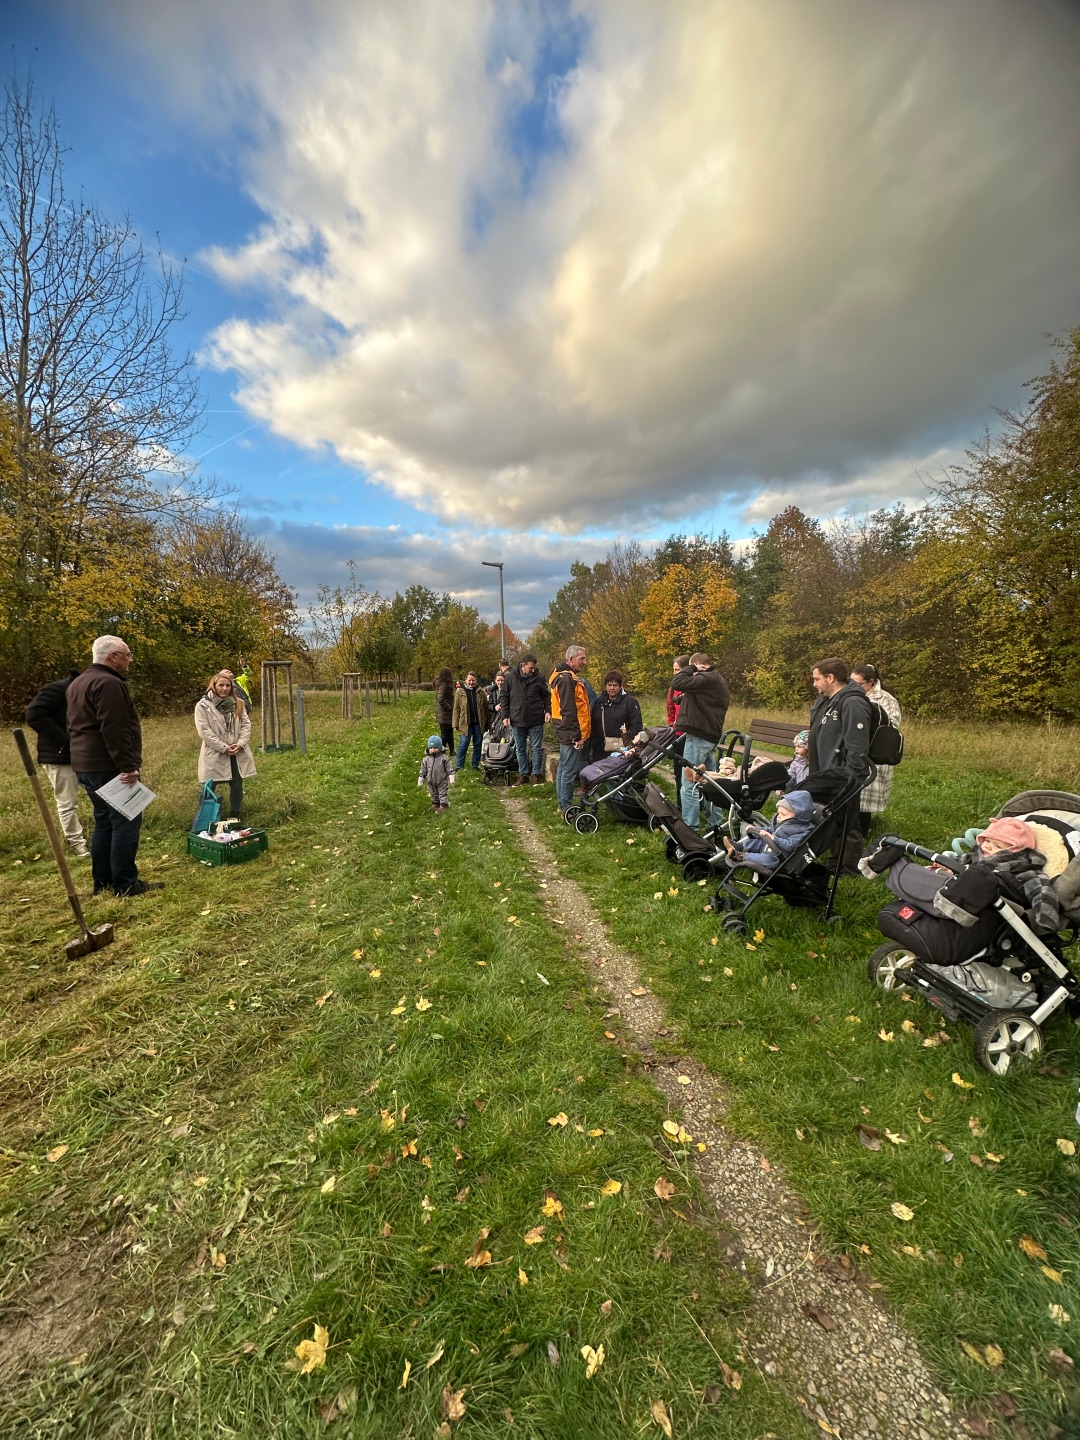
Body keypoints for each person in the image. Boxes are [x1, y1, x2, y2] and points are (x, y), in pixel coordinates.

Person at [66, 635, 159, 898]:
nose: (130, 660)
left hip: (85, 765)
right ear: (113, 657)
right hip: (108, 766)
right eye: (127, 655)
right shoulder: (108, 683)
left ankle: (103, 881)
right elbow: (115, 728)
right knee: (126, 819)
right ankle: (126, 883)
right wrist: (127, 766)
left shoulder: (78, 682)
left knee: (105, 821)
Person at [805, 657, 873, 876]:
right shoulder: (829, 700)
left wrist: (852, 776)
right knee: (833, 816)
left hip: (844, 774)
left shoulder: (852, 702)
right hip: (826, 770)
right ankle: (835, 862)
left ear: (830, 677)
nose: (814, 684)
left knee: (847, 820)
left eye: (817, 679)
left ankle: (847, 868)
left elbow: (857, 744)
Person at [25, 669, 90, 858]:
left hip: (82, 754)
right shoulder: (58, 689)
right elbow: (34, 714)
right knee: (68, 801)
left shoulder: (84, 693)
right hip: (58, 756)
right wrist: (64, 740)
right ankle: (76, 843)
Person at [670, 653, 730, 831]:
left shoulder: (707, 676)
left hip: (699, 737)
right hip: (709, 736)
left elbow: (677, 683)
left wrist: (692, 668)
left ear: (700, 666)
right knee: (711, 782)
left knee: (689, 783)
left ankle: (690, 829)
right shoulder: (715, 680)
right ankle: (715, 825)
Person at [195, 672, 257, 820]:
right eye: (221, 685)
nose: (224, 688)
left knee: (236, 784)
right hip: (215, 752)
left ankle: (235, 816)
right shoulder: (203, 706)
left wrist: (240, 744)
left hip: (236, 752)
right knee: (209, 786)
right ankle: (204, 817)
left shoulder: (239, 703)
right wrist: (223, 747)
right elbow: (204, 730)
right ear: (214, 686)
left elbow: (246, 725)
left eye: (228, 685)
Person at [852, 663, 901, 836]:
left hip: (875, 755)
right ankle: (851, 831)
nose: (854, 687)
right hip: (857, 752)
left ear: (871, 682)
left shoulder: (886, 699)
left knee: (865, 800)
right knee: (854, 795)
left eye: (858, 684)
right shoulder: (852, 697)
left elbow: (892, 727)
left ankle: (862, 834)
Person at [549, 644, 592, 817]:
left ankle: (562, 805)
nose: (585, 662)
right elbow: (568, 709)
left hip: (564, 730)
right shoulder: (567, 679)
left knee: (563, 768)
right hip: (571, 732)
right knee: (568, 770)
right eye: (582, 658)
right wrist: (577, 736)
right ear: (571, 659)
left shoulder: (561, 676)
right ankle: (566, 808)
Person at [726, 790, 816, 870]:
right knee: (757, 842)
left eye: (783, 814)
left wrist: (774, 839)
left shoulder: (802, 830)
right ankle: (739, 847)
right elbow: (770, 829)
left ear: (797, 815)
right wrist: (756, 829)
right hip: (768, 845)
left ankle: (739, 856)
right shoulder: (782, 820)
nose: (779, 816)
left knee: (765, 859)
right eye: (779, 812)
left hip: (778, 856)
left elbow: (790, 846)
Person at [504, 652, 551, 785]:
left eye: (534, 667)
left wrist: (548, 711)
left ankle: (536, 774)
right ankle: (523, 774)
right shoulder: (510, 677)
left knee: (536, 748)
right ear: (523, 666)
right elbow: (504, 697)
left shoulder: (539, 678)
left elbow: (546, 696)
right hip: (517, 718)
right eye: (530, 667)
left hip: (535, 718)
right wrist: (505, 715)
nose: (533, 670)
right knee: (520, 749)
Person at [590, 671, 643, 760]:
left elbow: (636, 725)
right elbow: (593, 723)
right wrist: (594, 742)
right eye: (609, 685)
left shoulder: (630, 702)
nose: (612, 688)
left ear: (620, 686)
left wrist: (632, 745)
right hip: (600, 747)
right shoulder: (600, 701)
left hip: (622, 748)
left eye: (615, 685)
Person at [452, 671, 491, 771]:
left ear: (476, 681)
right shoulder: (460, 692)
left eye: (473, 680)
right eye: (469, 680)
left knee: (478, 743)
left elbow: (485, 708)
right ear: (466, 680)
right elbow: (456, 709)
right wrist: (455, 723)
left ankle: (475, 765)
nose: (471, 682)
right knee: (464, 743)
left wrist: (487, 723)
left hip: (478, 723)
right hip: (465, 723)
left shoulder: (480, 692)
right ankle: (459, 766)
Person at [666, 656, 691, 806]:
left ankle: (694, 801)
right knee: (677, 771)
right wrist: (671, 724)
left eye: (678, 670)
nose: (675, 673)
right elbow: (670, 707)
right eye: (674, 670)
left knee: (690, 771)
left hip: (690, 734)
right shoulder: (674, 688)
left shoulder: (692, 688)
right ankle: (680, 802)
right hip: (677, 733)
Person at [418, 734, 455, 812]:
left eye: (435, 748)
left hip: (441, 780)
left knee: (442, 793)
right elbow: (423, 770)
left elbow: (449, 768)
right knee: (433, 792)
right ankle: (436, 803)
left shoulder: (444, 758)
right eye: (431, 748)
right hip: (431, 780)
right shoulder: (426, 759)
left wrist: (451, 776)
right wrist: (421, 779)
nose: (433, 749)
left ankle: (443, 805)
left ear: (440, 747)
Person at [433, 667, 455, 752]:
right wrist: (449, 707)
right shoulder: (444, 684)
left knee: (449, 732)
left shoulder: (441, 684)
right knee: (445, 734)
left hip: (445, 713)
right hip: (444, 713)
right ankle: (441, 750)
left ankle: (451, 750)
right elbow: (440, 698)